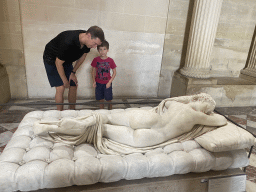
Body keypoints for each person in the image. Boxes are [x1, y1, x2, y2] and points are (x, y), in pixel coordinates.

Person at [43, 26, 105, 111]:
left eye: (97, 45)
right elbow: (58, 63)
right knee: (61, 87)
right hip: (52, 58)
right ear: (89, 36)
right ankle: (59, 115)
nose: (95, 47)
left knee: (73, 83)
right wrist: (64, 80)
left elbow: (82, 57)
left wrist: (73, 73)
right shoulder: (68, 41)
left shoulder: (87, 43)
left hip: (66, 59)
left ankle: (72, 112)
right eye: (94, 43)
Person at [91, 40, 117, 110]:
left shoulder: (110, 60)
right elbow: (93, 71)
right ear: (98, 50)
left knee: (108, 99)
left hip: (107, 83)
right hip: (98, 83)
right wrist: (94, 81)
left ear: (107, 50)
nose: (102, 51)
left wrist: (109, 82)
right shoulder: (95, 60)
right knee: (101, 99)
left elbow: (114, 72)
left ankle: (110, 111)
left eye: (104, 49)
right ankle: (101, 112)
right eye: (100, 49)